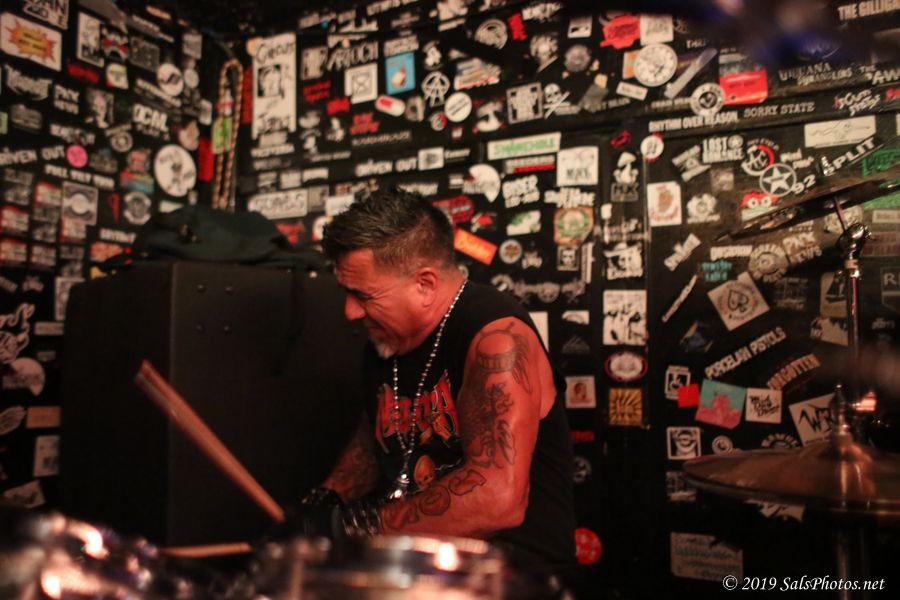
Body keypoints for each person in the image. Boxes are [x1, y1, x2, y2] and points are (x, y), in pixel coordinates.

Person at [304, 188, 576, 574]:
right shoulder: (385, 340)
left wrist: (353, 527)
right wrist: (326, 500)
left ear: (425, 285)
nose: (350, 311)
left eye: (363, 295)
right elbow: (377, 438)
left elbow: (496, 498)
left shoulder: (495, 337)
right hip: (419, 568)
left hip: (509, 577)